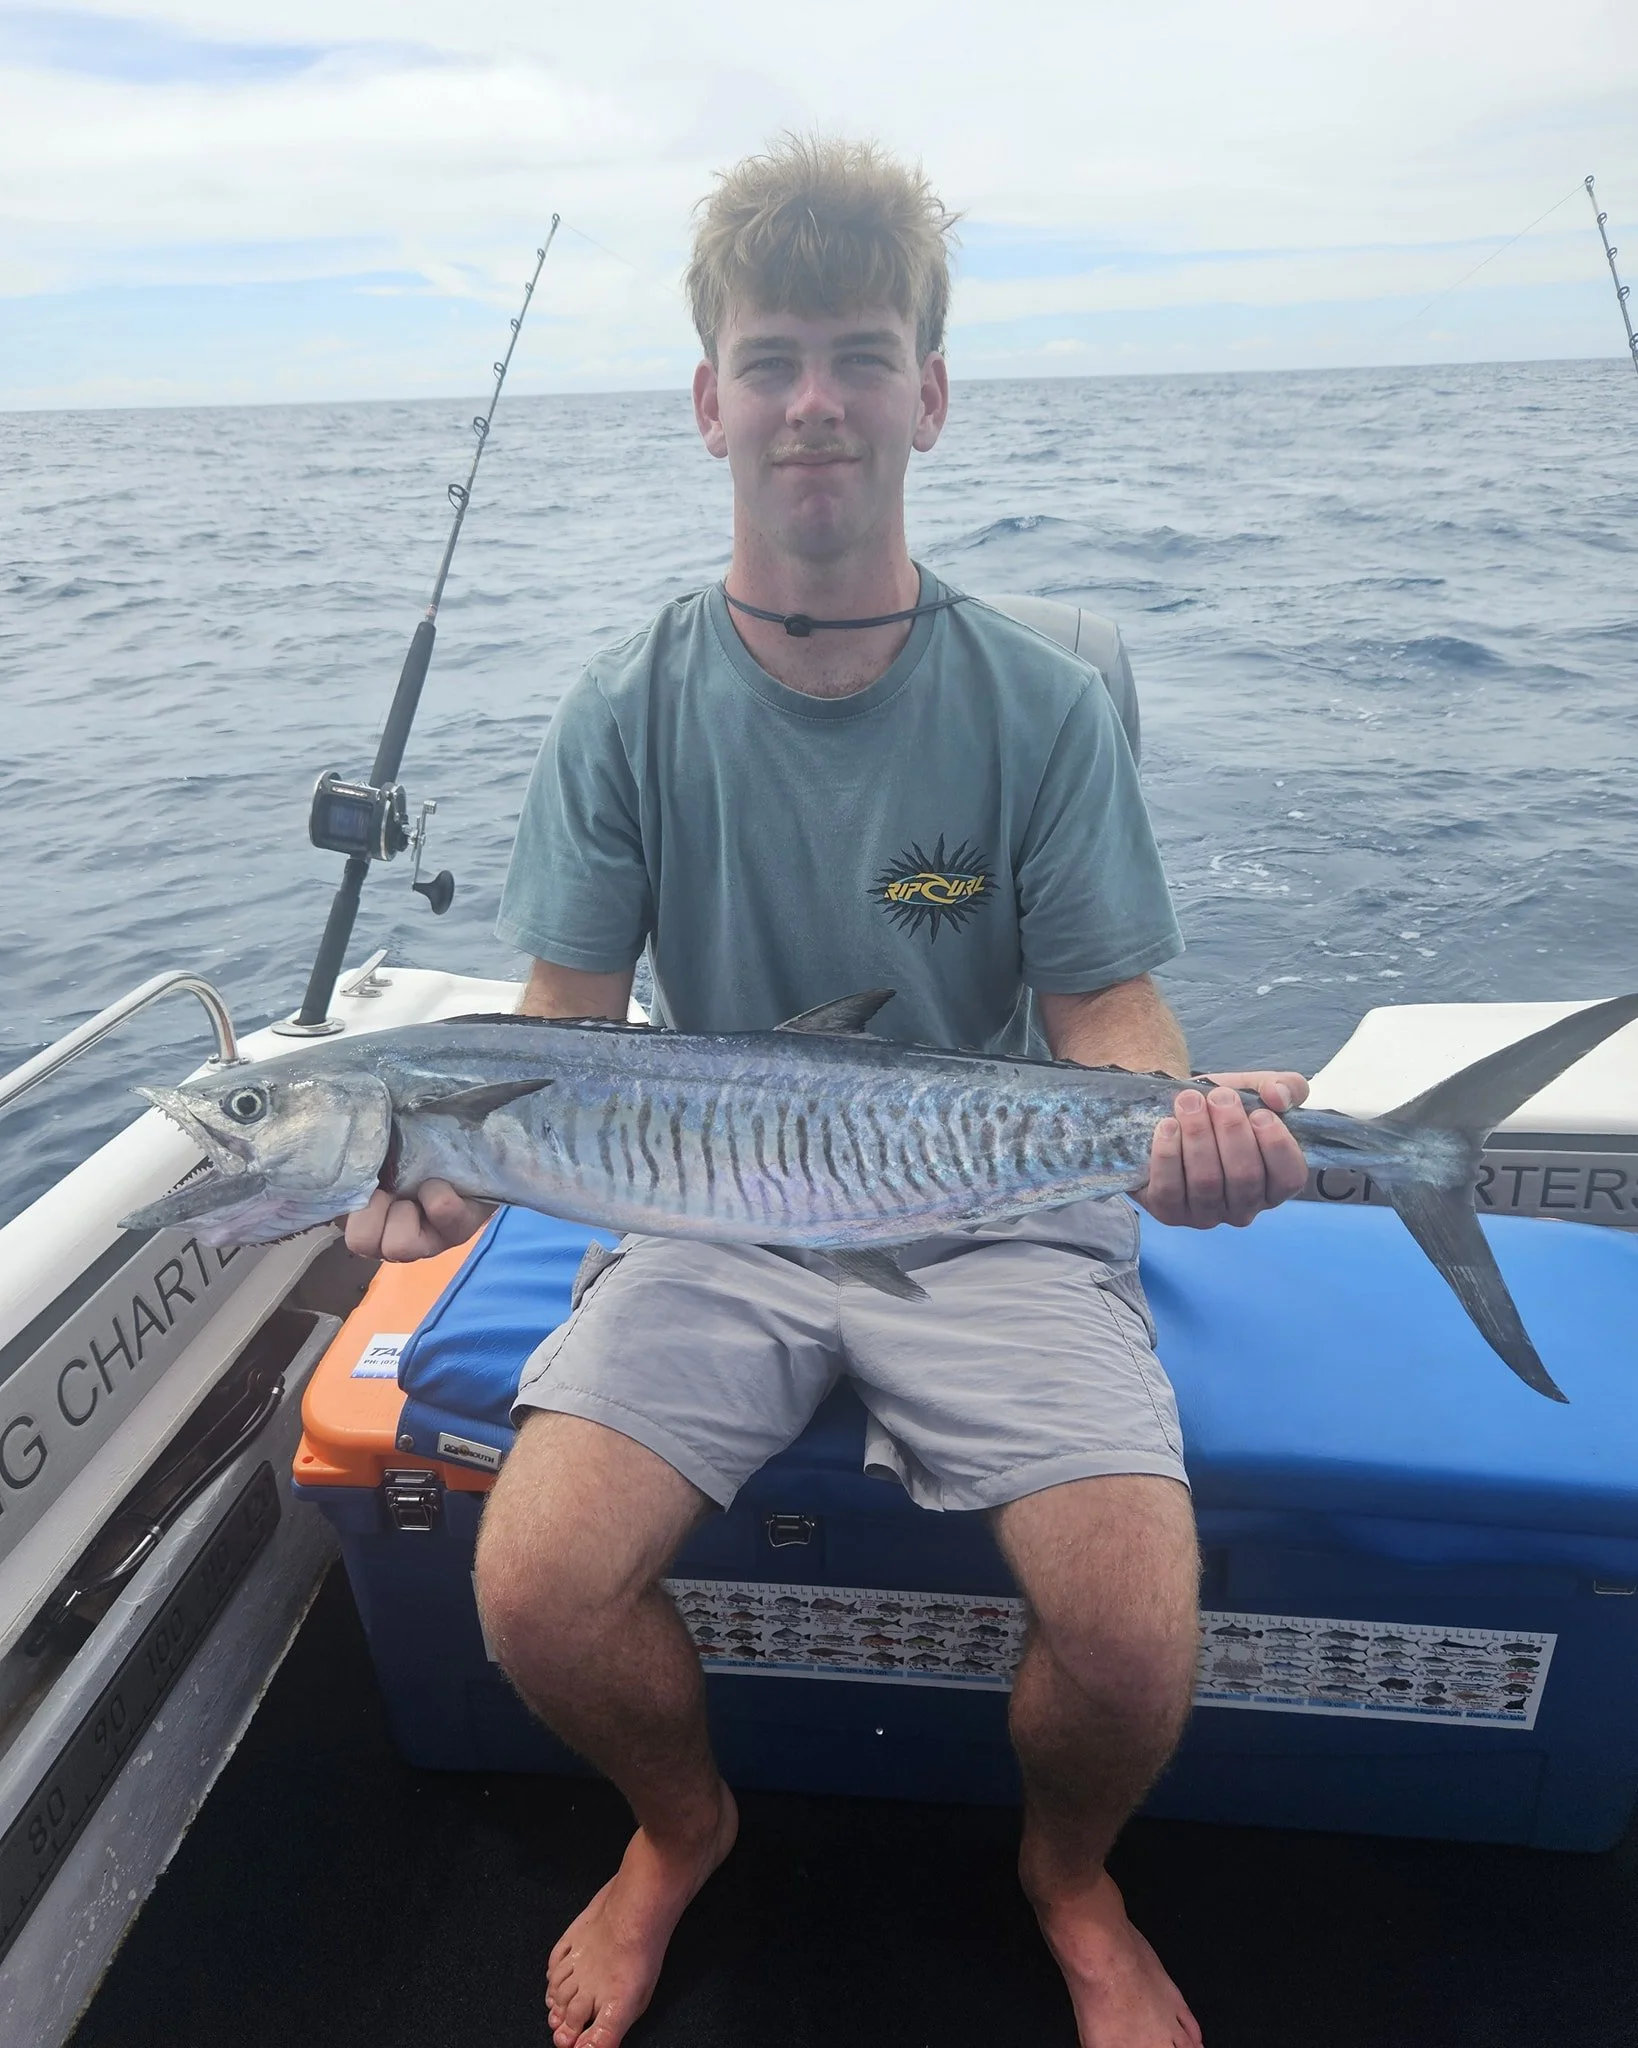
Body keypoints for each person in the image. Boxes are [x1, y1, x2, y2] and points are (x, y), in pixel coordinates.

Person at [346, 135, 1310, 2048]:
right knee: (530, 1590)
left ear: (927, 396)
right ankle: (677, 1831)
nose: (814, 402)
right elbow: (559, 1036)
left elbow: (1107, 1018)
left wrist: (1176, 1131)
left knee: (1130, 1636)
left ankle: (1066, 1874)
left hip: (996, 1208)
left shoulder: (1036, 696)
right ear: (710, 400)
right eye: (773, 358)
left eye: (861, 355)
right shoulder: (621, 705)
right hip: (710, 1210)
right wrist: (444, 1173)